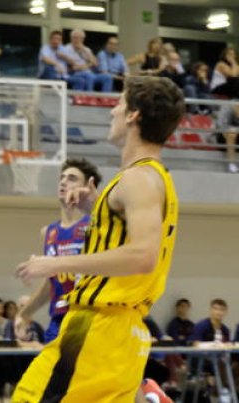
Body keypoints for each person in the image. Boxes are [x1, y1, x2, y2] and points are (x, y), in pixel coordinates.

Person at [13, 76, 185, 402]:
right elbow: (132, 239)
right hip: (119, 331)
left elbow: (143, 255)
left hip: (99, 329)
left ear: (133, 115)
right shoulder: (151, 178)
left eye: (119, 104)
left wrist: (55, 263)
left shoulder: (139, 179)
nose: (112, 112)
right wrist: (99, 210)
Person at [14, 159, 99, 344]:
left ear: (87, 187)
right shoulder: (49, 232)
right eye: (62, 177)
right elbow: (50, 284)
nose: (63, 182)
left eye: (72, 178)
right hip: (58, 319)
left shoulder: (96, 224)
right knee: (49, 372)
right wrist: (25, 313)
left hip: (88, 318)